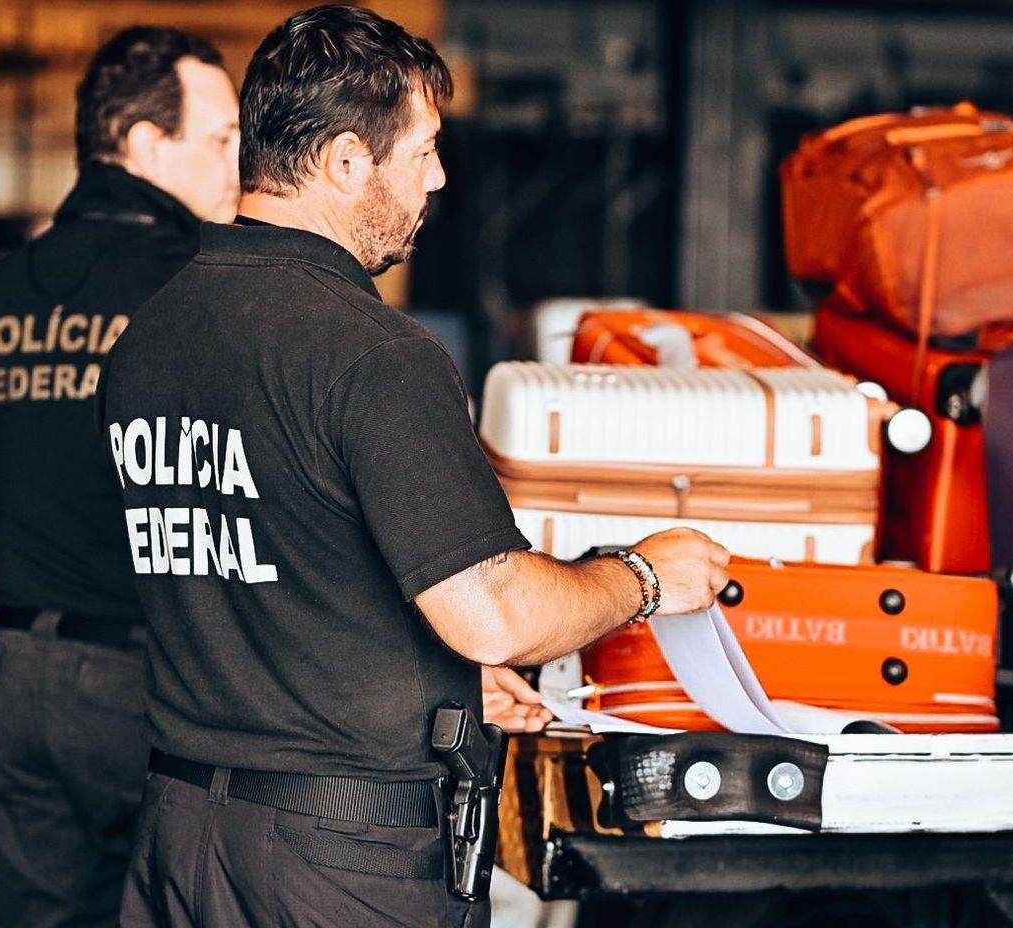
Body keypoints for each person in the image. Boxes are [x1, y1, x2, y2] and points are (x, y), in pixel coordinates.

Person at [103, 7, 728, 927]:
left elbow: (265, 563)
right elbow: (496, 614)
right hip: (341, 863)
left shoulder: (150, 338)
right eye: (424, 149)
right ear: (346, 161)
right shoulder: (372, 353)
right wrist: (642, 576)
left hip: (182, 840)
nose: (438, 177)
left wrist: (427, 687)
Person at [0, 26, 240, 928]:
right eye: (221, 139)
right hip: (144, 684)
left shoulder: (12, 284)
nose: (238, 165)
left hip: (20, 676)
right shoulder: (188, 285)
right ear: (146, 144)